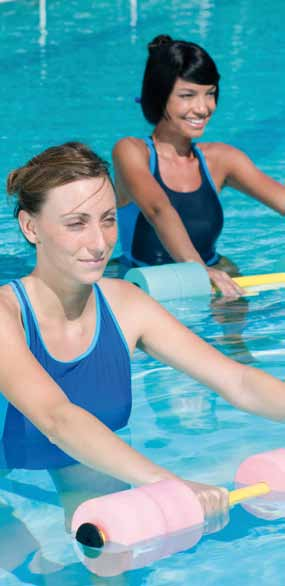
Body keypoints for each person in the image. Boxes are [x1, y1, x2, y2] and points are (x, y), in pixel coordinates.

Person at [1, 141, 285, 543]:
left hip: (88, 478)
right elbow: (57, 419)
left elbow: (236, 382)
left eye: (107, 219)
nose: (99, 243)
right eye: (76, 223)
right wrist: (170, 484)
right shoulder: (5, 316)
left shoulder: (126, 304)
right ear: (31, 227)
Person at [112, 34, 285, 297]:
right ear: (160, 96)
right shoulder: (131, 151)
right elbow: (159, 210)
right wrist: (198, 269)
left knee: (240, 336)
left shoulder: (222, 160)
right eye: (187, 95)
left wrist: (208, 273)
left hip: (216, 279)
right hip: (145, 283)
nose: (203, 108)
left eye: (210, 94)